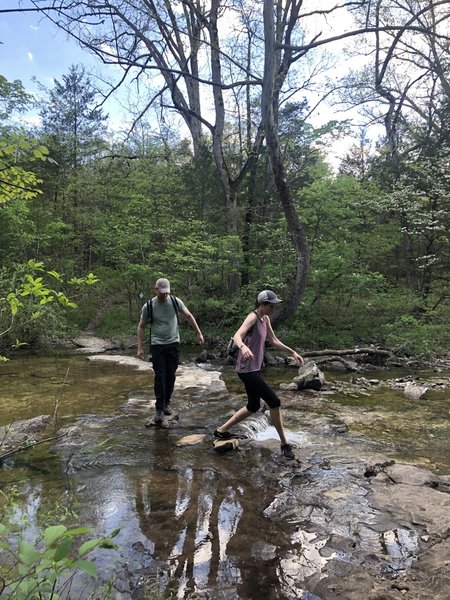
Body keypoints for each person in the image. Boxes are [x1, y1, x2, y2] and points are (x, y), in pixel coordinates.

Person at [214, 290, 303, 459]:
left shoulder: (265, 319)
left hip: (254, 369)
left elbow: (273, 340)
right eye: (271, 306)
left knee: (253, 406)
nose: (273, 309)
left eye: (275, 306)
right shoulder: (253, 317)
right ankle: (284, 444)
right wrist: (244, 347)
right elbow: (237, 336)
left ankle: (221, 431)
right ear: (262, 304)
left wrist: (293, 352)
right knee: (274, 402)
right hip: (246, 370)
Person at [137, 277, 204, 424]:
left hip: (173, 344)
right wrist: (140, 347)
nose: (164, 295)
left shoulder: (175, 301)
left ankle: (167, 403)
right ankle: (159, 410)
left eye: (166, 292)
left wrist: (198, 332)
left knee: (171, 376)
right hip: (157, 345)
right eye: (162, 293)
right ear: (156, 290)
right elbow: (141, 326)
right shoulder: (149, 306)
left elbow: (188, 315)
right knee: (160, 376)